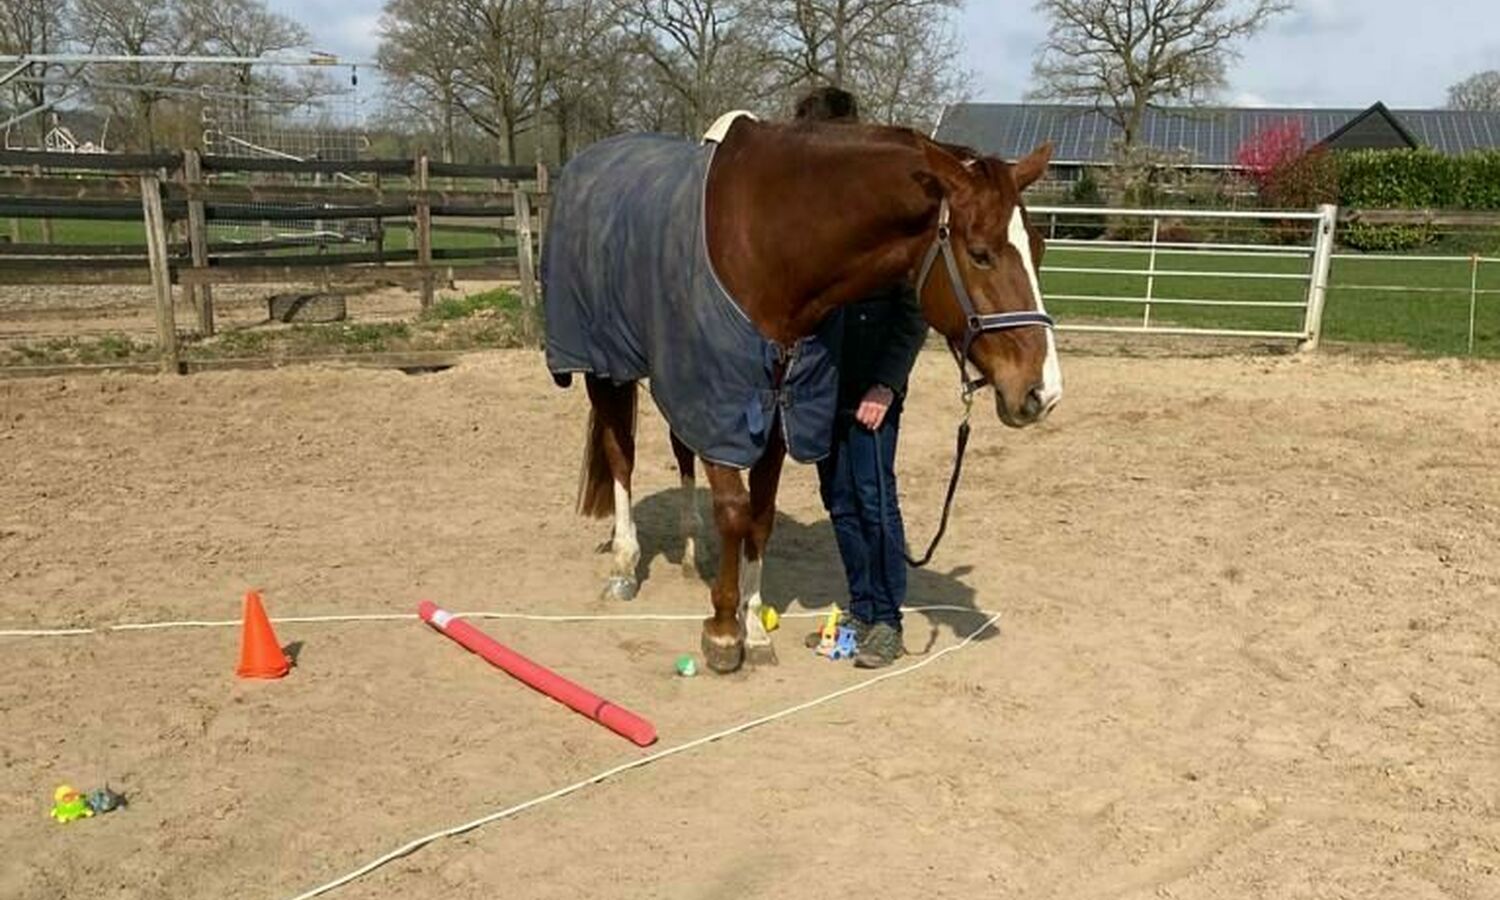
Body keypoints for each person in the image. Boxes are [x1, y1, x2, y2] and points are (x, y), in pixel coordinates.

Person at [795, 86, 929, 669]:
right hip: (823, 385)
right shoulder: (807, 218)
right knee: (839, 501)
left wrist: (887, 384)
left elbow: (914, 310)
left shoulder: (885, 215)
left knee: (875, 500)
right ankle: (860, 605)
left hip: (872, 387)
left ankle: (888, 620)